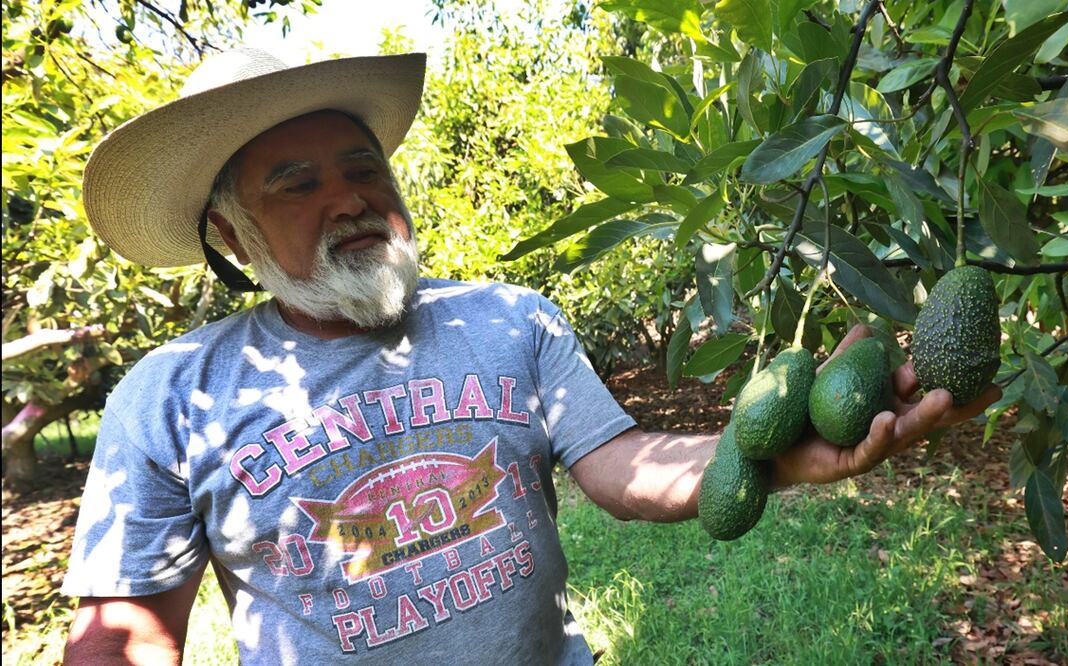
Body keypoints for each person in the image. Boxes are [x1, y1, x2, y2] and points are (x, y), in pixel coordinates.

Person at [61, 47, 999, 664]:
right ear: (231, 233)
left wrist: (766, 457)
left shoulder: (510, 320)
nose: (346, 200)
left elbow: (616, 463)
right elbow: (125, 635)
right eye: (297, 183)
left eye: (363, 169)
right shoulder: (171, 395)